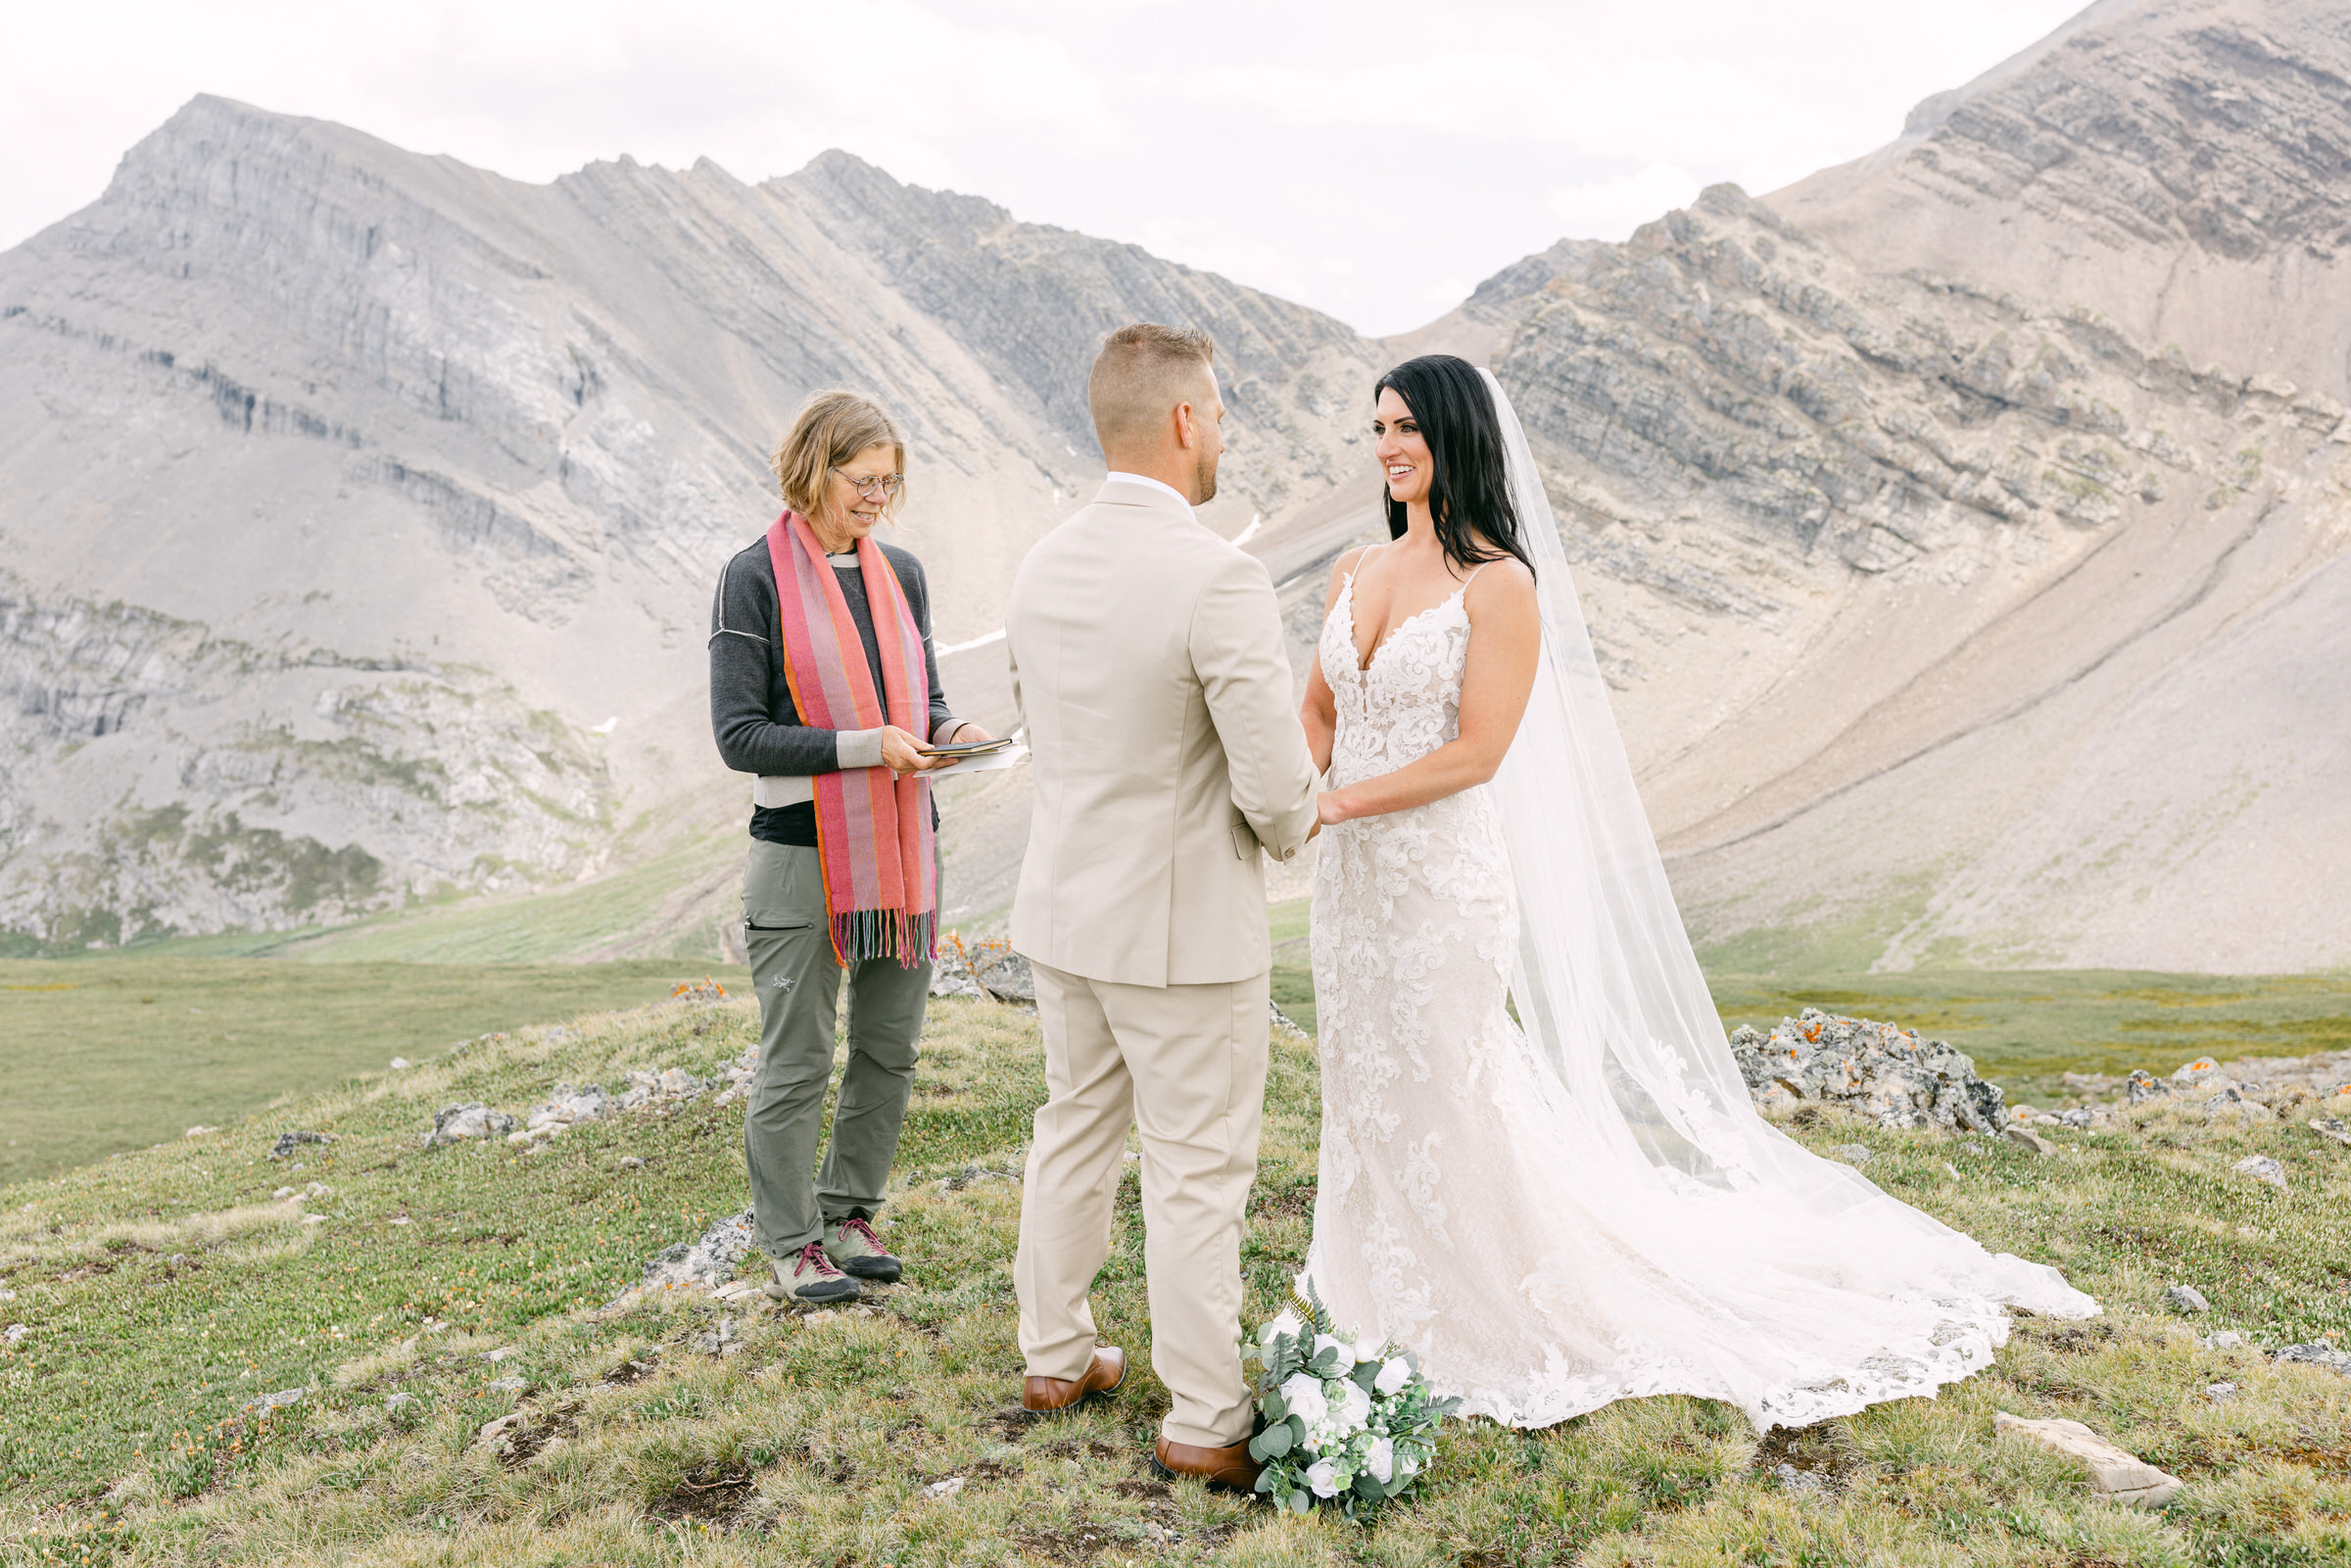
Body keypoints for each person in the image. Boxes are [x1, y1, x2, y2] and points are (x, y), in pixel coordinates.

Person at [1297, 355, 2098, 1430]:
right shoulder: (1357, 565)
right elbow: (1318, 704)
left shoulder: (1500, 584)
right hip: (1352, 891)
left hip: (1440, 880)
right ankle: (1375, 1286)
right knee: (1363, 1078)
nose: (1389, 445)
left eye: (1409, 427)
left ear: (1455, 436)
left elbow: (1481, 751)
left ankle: (1491, 1298)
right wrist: (1317, 783)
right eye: (1378, 426)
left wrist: (1346, 805)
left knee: (1450, 1080)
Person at [1005, 324, 1320, 1487]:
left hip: (1065, 909)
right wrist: (1295, 829)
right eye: (1222, 413)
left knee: (1073, 1123)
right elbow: (1277, 782)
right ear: (1186, 421)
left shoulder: (1040, 565)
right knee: (1195, 1169)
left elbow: (1044, 725)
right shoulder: (1216, 574)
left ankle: (1056, 1350)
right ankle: (1204, 1413)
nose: (1224, 433)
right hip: (1185, 932)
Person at [708, 389, 991, 1305]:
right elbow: (738, 736)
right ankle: (792, 1242)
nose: (880, 499)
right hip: (797, 852)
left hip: (906, 845)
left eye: (891, 483)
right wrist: (867, 746)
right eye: (865, 481)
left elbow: (926, 700)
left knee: (890, 1044)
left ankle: (848, 1212)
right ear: (814, 469)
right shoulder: (752, 577)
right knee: (798, 1055)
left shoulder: (899, 574)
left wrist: (954, 732)